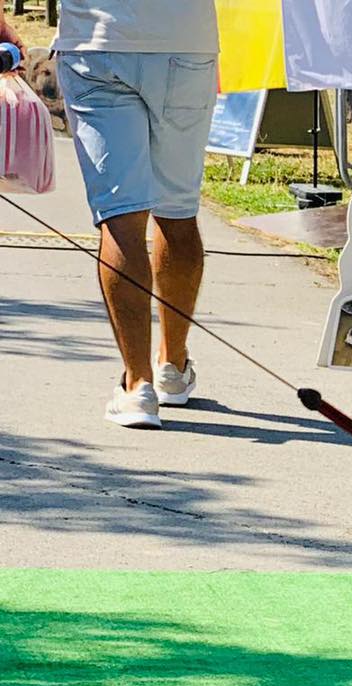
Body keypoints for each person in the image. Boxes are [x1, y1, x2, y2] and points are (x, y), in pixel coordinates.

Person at [52, 1, 218, 428]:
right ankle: (173, 367)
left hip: (96, 42)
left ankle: (138, 385)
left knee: (122, 220)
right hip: (184, 40)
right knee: (178, 214)